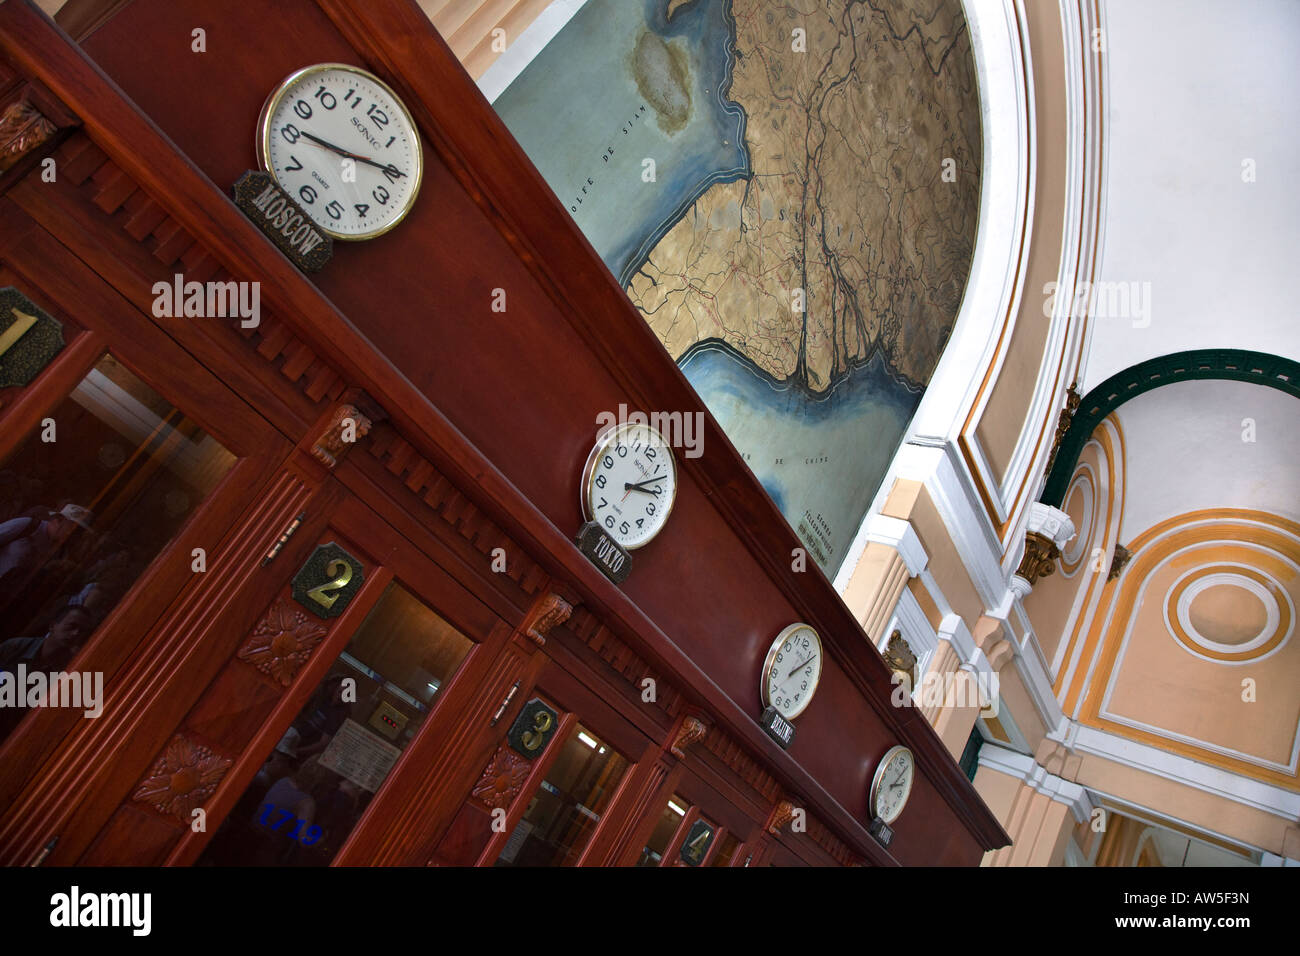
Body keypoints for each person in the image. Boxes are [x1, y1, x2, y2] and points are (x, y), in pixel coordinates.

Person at [0, 505, 94, 623]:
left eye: (79, 532)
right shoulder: (28, 526)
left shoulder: (59, 552)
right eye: (73, 529)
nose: (74, 535)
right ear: (58, 521)